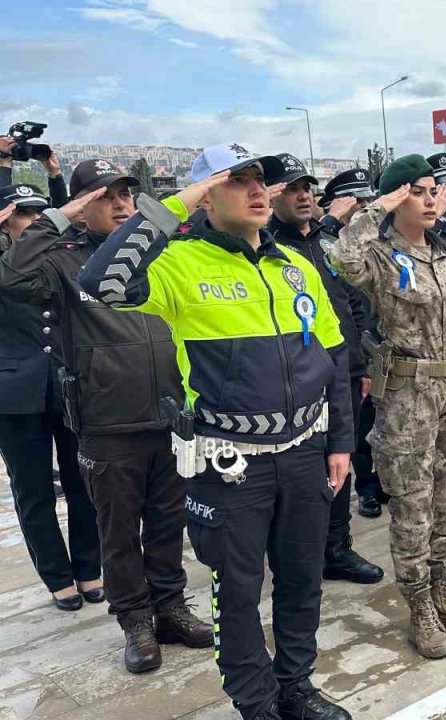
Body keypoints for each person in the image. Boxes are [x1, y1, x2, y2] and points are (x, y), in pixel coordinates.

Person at [78, 142, 355, 720]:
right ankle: (257, 704)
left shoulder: (294, 265)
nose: (259, 191)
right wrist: (179, 200)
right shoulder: (178, 264)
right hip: (231, 463)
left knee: (303, 580)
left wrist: (340, 443)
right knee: (238, 591)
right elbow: (100, 283)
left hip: (305, 453)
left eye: (263, 181)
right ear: (206, 195)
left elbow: (332, 356)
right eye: (238, 181)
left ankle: (296, 687)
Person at [2, 159, 213, 673]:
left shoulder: (155, 252)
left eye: (126, 196)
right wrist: (60, 214)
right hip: (107, 419)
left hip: (169, 410)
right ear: (81, 206)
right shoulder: (61, 259)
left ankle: (169, 608)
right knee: (116, 530)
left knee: (167, 522)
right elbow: (12, 277)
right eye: (105, 198)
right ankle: (135, 622)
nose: (121, 206)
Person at [329, 154, 446, 661]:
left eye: (433, 191)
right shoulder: (378, 257)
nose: (430, 199)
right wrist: (377, 204)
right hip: (408, 399)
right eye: (417, 192)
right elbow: (342, 258)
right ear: (398, 197)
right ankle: (419, 605)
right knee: (413, 507)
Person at [267, 154, 384, 586]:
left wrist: (363, 363)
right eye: (293, 189)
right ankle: (301, 553)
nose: (303, 197)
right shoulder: (269, 246)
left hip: (343, 374)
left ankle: (337, 547)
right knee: (300, 472)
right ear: (274, 195)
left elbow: (352, 302)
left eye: (307, 189)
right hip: (296, 378)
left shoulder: (324, 242)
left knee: (341, 460)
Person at [0, 183, 101, 612]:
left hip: (68, 385)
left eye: (42, 214)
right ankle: (57, 576)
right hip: (14, 394)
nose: (36, 223)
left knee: (84, 483)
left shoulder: (63, 255)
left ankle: (89, 567)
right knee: (34, 490)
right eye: (25, 214)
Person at [321, 168, 385, 519]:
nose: (363, 207)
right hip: (341, 355)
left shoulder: (375, 241)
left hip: (374, 346)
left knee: (379, 425)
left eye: (367, 200)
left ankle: (381, 482)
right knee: (356, 433)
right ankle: (367, 491)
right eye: (355, 201)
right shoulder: (326, 243)